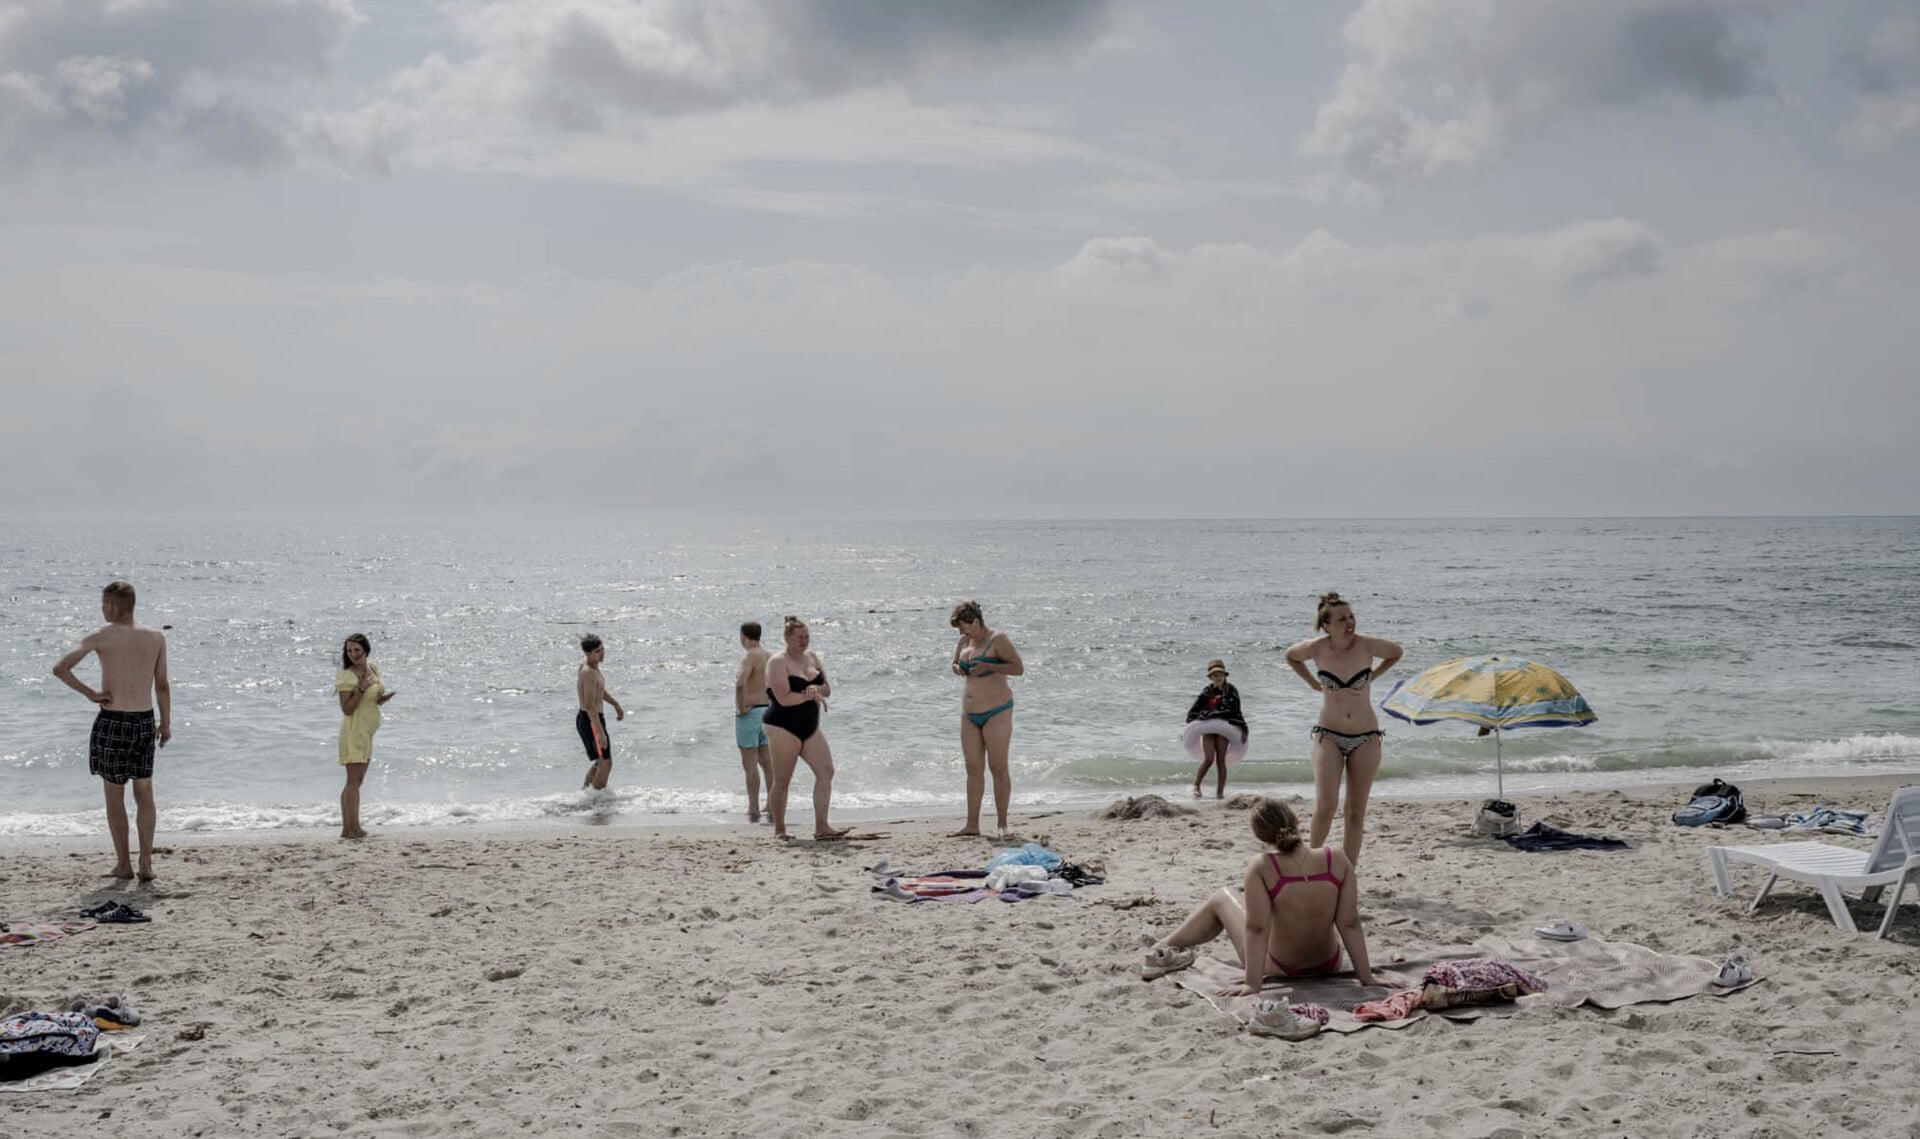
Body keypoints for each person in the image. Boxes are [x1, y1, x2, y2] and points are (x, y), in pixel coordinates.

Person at [1139, 798, 1376, 1018]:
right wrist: (1366, 977)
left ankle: (1164, 948)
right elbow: (1349, 922)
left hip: (1280, 966)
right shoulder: (1336, 858)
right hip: (1329, 962)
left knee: (1222, 897)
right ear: (1296, 821)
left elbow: (1257, 928)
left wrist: (1252, 984)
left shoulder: (1262, 866)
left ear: (1260, 836)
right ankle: (1166, 948)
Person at [51, 581, 171, 881]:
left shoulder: (100, 636)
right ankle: (146, 863)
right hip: (144, 721)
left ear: (113, 606)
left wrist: (91, 694)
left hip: (113, 721)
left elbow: (60, 668)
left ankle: (123, 865)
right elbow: (162, 685)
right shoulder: (155, 637)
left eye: (104, 604)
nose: (102, 609)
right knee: (144, 792)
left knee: (114, 795)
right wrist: (165, 723)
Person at [1284, 591, 1402, 865]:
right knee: (1326, 805)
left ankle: (1348, 872)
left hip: (1366, 736)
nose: (1350, 622)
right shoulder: (1317, 648)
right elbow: (1291, 656)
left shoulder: (1366, 645)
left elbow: (1396, 652)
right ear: (1327, 625)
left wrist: (1373, 675)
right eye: (1341, 619)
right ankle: (1310, 863)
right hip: (1329, 735)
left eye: (1351, 616)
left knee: (1355, 812)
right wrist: (1312, 683)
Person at [762, 615, 848, 841]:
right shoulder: (777, 662)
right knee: (782, 780)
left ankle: (822, 826)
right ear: (787, 638)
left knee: (826, 771)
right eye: (799, 637)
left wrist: (816, 690)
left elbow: (827, 688)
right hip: (782, 726)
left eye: (807, 636)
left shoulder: (812, 657)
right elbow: (783, 698)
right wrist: (807, 694)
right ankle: (780, 830)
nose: (804, 641)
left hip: (809, 725)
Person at [948, 600, 1024, 839]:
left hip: (997, 710)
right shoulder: (964, 641)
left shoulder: (997, 639)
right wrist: (956, 668)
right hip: (969, 714)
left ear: (976, 622)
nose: (961, 633)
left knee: (998, 767)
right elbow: (955, 663)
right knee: (973, 769)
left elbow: (1018, 668)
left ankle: (1002, 824)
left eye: (964, 627)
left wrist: (990, 668)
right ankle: (972, 824)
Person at [333, 633, 396, 840]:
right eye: (349, 650)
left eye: (357, 650)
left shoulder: (372, 668)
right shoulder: (347, 676)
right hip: (355, 730)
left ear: (366, 650)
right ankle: (354, 829)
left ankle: (348, 830)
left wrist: (381, 699)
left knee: (357, 781)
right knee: (353, 781)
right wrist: (360, 688)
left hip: (368, 731)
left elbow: (371, 700)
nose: (353, 654)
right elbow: (347, 709)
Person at [1184, 658, 1248, 799]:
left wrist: (1243, 729)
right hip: (1208, 728)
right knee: (1208, 759)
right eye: (1214, 675)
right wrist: (1199, 718)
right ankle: (1196, 786)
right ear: (1210, 677)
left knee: (1220, 760)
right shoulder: (1207, 692)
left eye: (1220, 674)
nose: (1217, 677)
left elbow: (1236, 711)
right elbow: (1195, 710)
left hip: (1224, 729)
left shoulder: (1231, 691)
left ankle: (1220, 792)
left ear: (1224, 675)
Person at [733, 621, 773, 823]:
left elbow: (740, 683)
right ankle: (772, 804)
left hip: (751, 714)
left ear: (743, 636)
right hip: (768, 711)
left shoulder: (750, 656)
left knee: (749, 764)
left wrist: (741, 708)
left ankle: (754, 807)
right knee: (767, 762)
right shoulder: (770, 656)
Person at [576, 634, 624, 791]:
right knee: (606, 762)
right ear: (588, 653)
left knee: (600, 761)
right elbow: (589, 705)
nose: (602, 653)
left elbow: (599, 690)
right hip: (590, 719)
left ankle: (586, 794)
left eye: (602, 649)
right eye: (597, 651)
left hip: (594, 719)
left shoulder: (594, 667)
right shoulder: (588, 672)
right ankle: (597, 797)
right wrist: (601, 732)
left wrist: (615, 704)